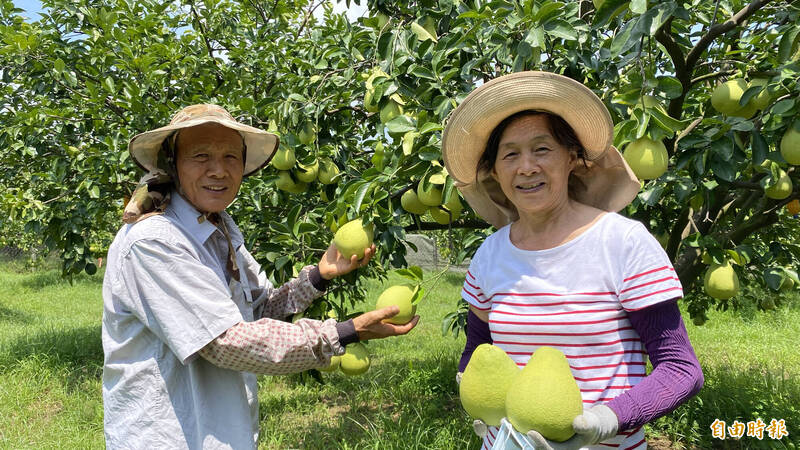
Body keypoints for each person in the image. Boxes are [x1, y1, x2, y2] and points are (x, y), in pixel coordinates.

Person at [102, 104, 419, 449]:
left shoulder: (217, 227)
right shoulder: (156, 242)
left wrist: (317, 278)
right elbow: (227, 342)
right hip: (170, 437)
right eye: (201, 156)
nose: (219, 170)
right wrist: (344, 332)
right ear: (173, 164)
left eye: (230, 157)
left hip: (221, 430)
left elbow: (259, 309)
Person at [441, 72, 704, 450]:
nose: (526, 166)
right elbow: (479, 348)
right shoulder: (490, 255)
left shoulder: (622, 244)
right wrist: (473, 388)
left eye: (542, 149)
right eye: (510, 154)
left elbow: (680, 369)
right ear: (495, 173)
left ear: (572, 158)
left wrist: (607, 419)